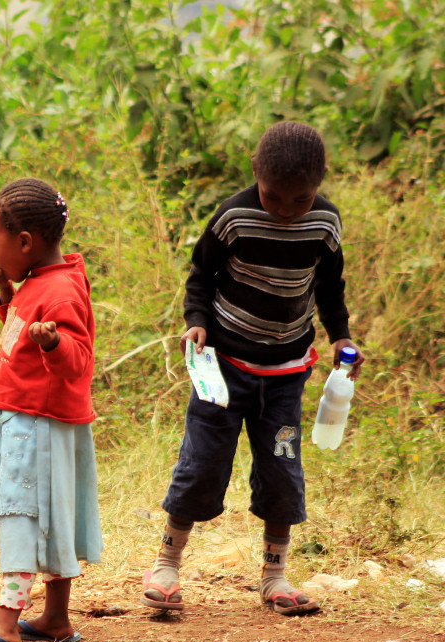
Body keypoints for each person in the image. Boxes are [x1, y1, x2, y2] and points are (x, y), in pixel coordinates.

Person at [141, 121, 365, 616]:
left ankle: (275, 576)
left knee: (282, 472)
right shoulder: (234, 216)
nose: (285, 211)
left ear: (321, 182)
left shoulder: (324, 223)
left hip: (286, 372)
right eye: (273, 197)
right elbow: (201, 275)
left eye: (299, 200)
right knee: (201, 465)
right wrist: (196, 322)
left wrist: (342, 335)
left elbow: (330, 286)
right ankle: (167, 566)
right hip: (221, 367)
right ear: (255, 175)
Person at [0, 178, 101, 642]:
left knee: (23, 516)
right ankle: (55, 617)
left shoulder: (59, 292)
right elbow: (21, 337)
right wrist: (6, 295)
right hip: (32, 418)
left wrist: (54, 342)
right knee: (53, 518)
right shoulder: (40, 281)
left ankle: (6, 621)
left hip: (36, 423)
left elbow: (77, 358)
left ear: (24, 243)